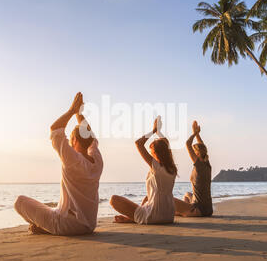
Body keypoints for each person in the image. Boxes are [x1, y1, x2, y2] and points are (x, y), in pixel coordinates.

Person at [14, 92, 103, 235]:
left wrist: (72, 110)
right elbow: (90, 136)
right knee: (52, 209)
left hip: (67, 225)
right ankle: (45, 226)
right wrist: (79, 114)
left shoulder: (73, 159)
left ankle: (46, 228)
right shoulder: (97, 160)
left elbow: (55, 129)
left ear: (74, 141)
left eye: (70, 140)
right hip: (89, 225)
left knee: (20, 202)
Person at [110, 117, 177, 224]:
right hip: (169, 215)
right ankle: (132, 219)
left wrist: (153, 131)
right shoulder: (172, 168)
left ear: (157, 153)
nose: (151, 154)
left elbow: (138, 143)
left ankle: (134, 219)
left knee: (114, 199)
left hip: (154, 216)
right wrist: (159, 132)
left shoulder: (157, 167)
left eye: (152, 152)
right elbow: (166, 144)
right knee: (147, 198)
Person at [174, 121, 213, 217]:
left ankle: (184, 212)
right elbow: (202, 146)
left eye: (194, 151)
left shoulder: (199, 165)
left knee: (170, 202)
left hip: (199, 209)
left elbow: (187, 144)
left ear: (197, 154)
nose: (193, 153)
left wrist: (195, 133)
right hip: (208, 209)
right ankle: (184, 211)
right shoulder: (207, 164)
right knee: (187, 194)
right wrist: (198, 134)